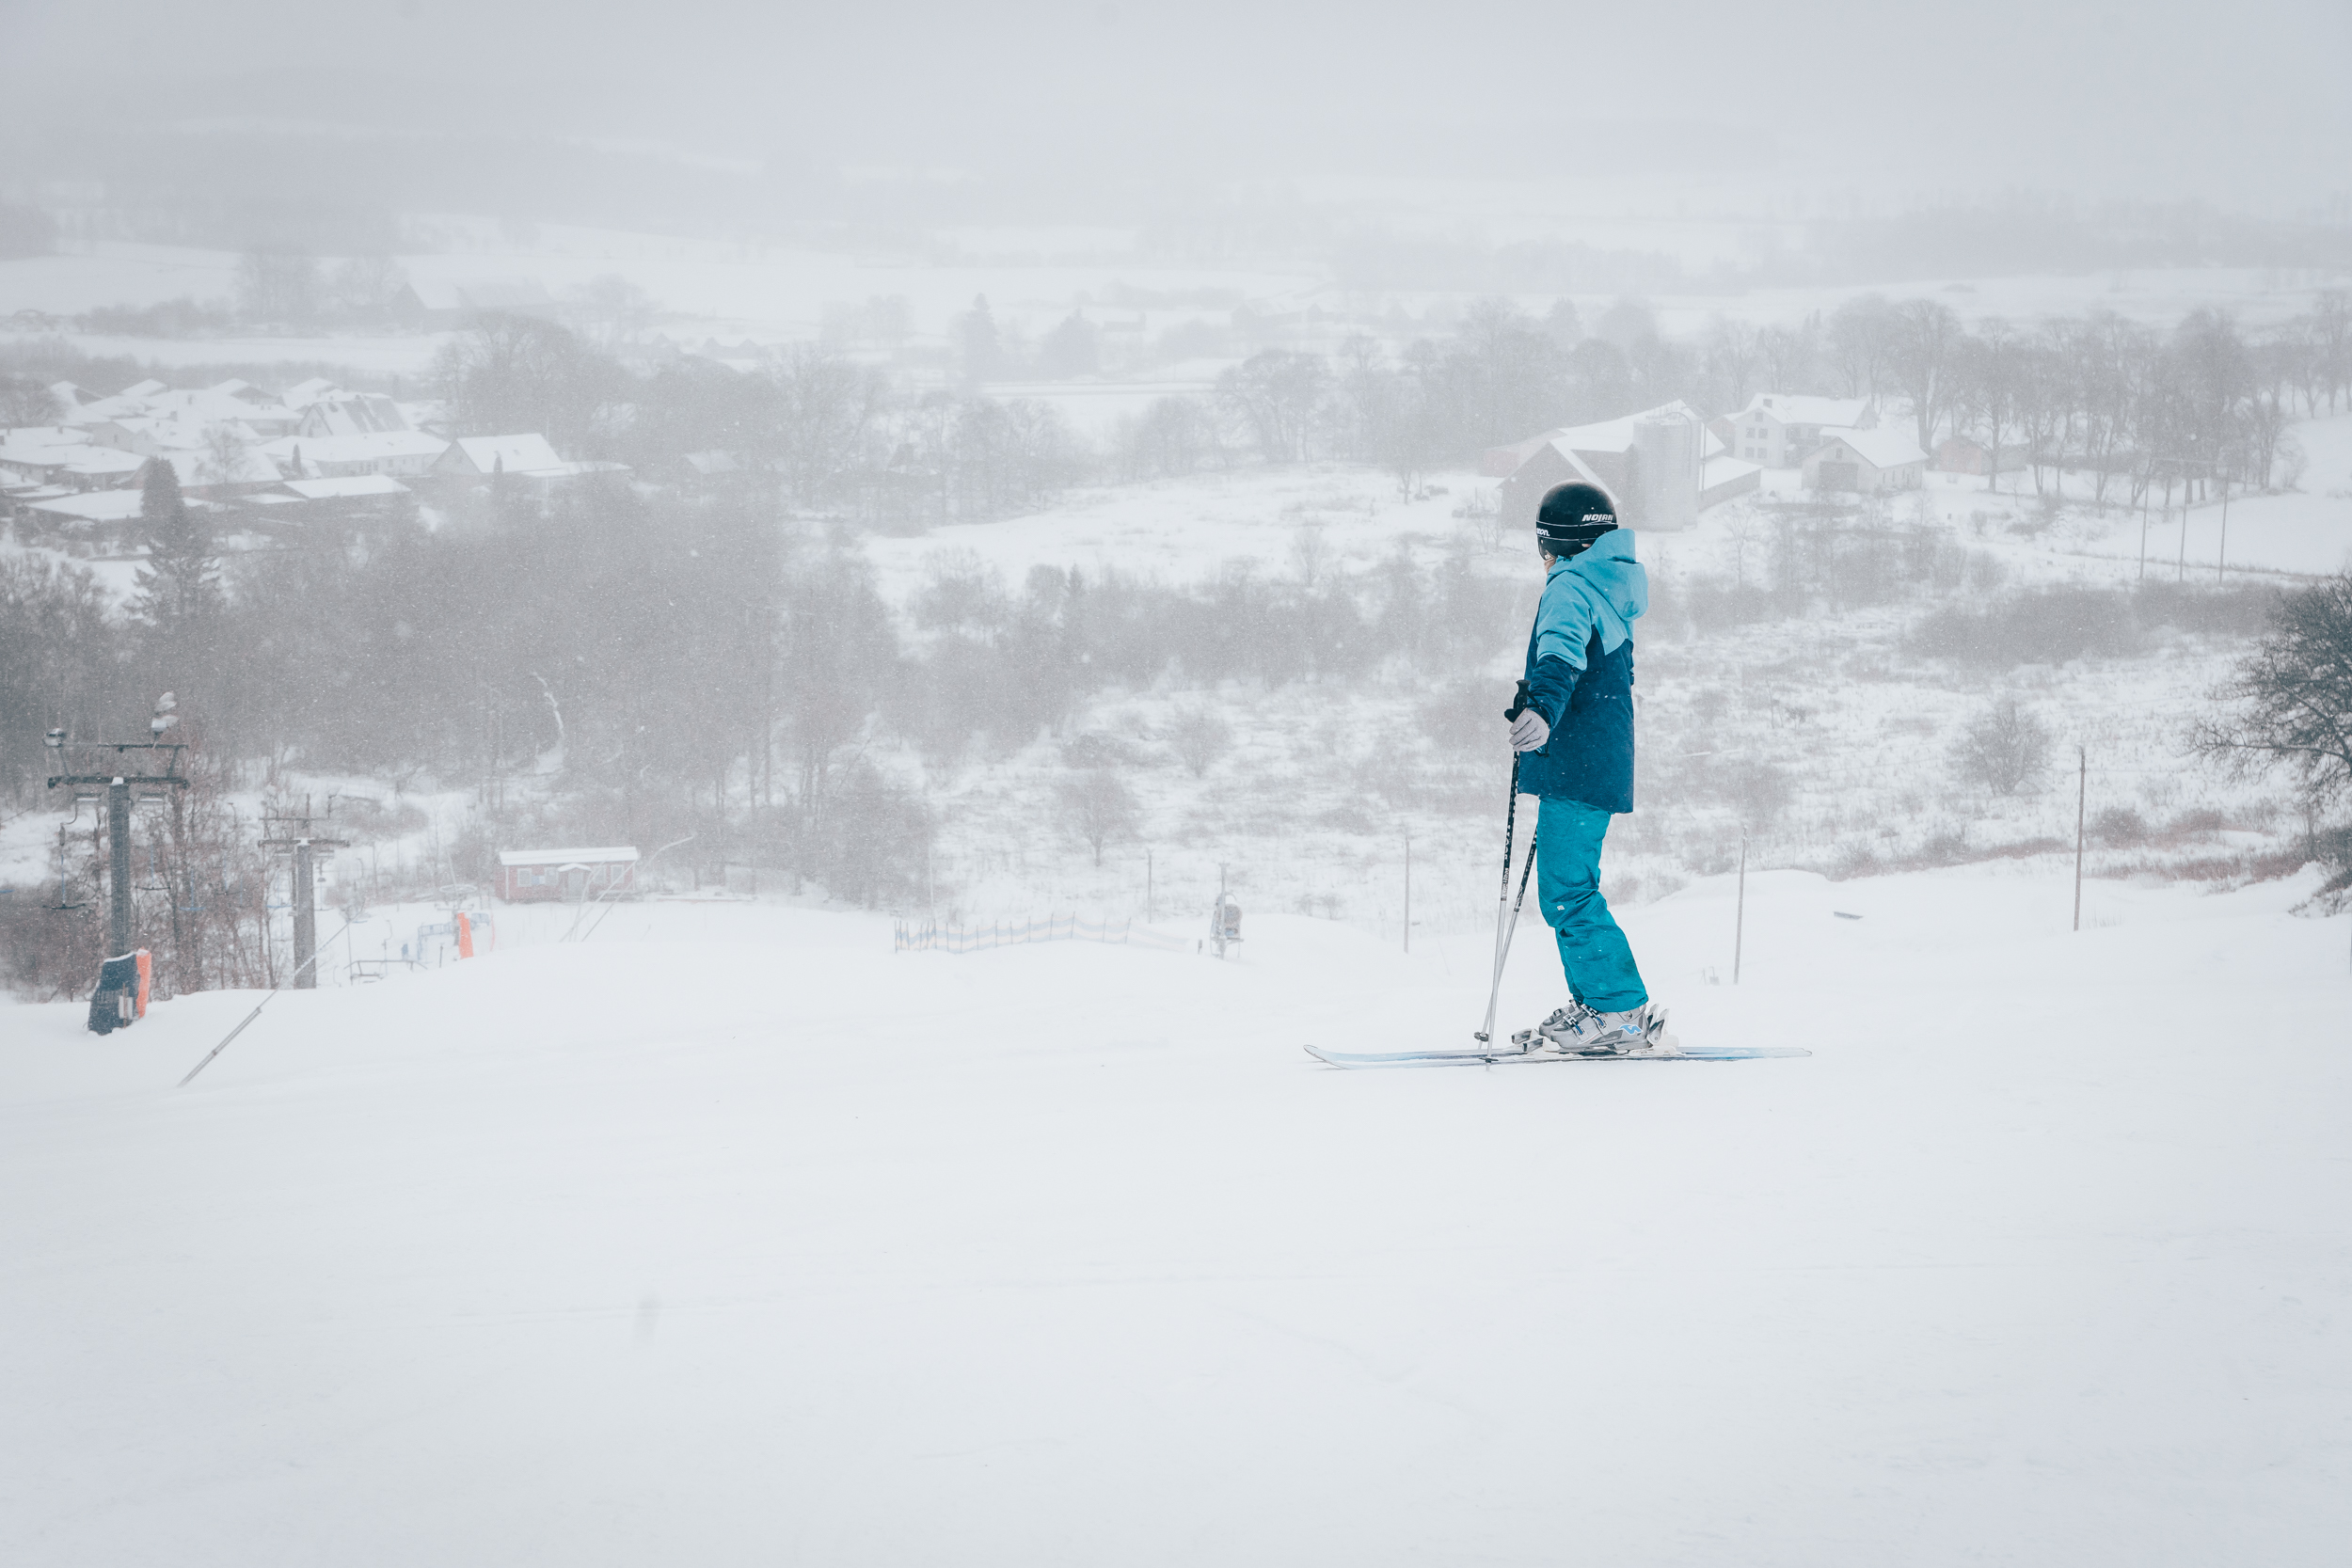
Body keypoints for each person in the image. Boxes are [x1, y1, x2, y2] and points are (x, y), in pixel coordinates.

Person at [1503, 480, 1666, 1055]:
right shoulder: (1609, 584)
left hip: (1577, 762)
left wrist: (1541, 710)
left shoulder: (1571, 586)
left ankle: (1618, 1009)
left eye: (1543, 544)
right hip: (1595, 758)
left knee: (1568, 890)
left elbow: (1562, 654)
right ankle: (1598, 1006)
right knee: (1570, 888)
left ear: (1558, 543)